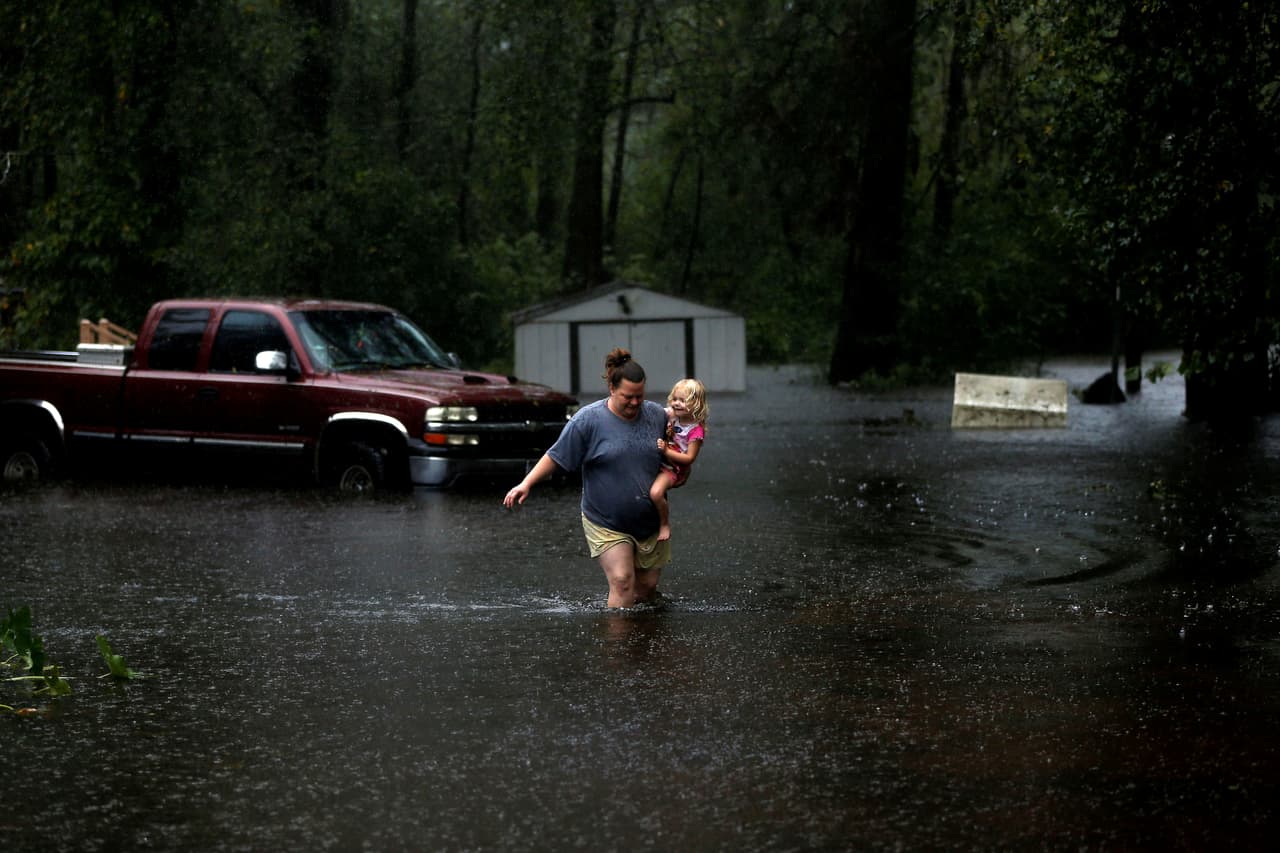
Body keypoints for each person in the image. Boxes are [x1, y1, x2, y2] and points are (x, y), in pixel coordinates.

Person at [503, 348, 671, 608]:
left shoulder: (656, 415)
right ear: (612, 389)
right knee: (623, 581)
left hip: (650, 521)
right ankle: (619, 645)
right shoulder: (588, 420)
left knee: (646, 588)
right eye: (628, 397)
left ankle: (643, 642)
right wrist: (527, 483)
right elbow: (555, 455)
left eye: (640, 396)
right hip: (605, 520)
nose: (635, 403)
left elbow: (685, 436)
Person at [650, 378, 708, 542]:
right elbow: (652, 411)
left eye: (682, 401)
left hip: (673, 468)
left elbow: (689, 458)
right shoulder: (673, 415)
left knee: (655, 493)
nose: (676, 404)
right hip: (663, 457)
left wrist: (666, 451)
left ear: (696, 404)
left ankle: (664, 524)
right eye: (675, 399)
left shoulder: (696, 431)